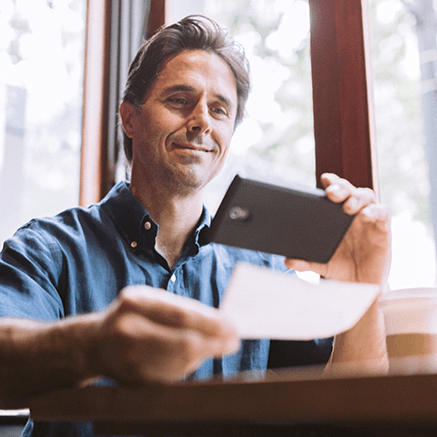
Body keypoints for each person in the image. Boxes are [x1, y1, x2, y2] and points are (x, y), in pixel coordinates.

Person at [0, 15, 390, 437]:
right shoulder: (47, 250)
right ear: (130, 119)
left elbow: (351, 412)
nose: (202, 120)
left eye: (219, 109)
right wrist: (96, 347)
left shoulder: (261, 270)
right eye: (180, 100)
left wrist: (362, 288)